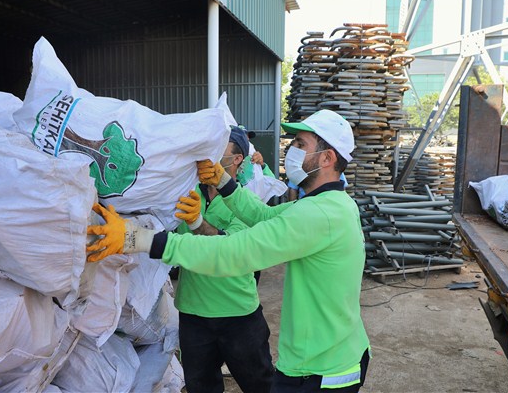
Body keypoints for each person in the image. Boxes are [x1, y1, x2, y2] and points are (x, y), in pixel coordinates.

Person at [87, 109, 371, 392]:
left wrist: (139, 239)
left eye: (300, 145)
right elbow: (264, 217)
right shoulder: (329, 205)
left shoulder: (318, 214)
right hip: (331, 355)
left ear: (327, 158)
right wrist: (224, 182)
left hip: (320, 372)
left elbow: (235, 252)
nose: (290, 151)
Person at [172, 126, 273, 393]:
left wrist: (197, 223)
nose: (209, 154)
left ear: (237, 158)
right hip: (193, 313)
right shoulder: (186, 191)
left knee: (260, 385)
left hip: (238, 314)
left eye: (219, 149)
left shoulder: (247, 203)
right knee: (200, 386)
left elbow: (228, 246)